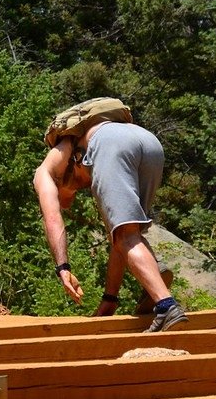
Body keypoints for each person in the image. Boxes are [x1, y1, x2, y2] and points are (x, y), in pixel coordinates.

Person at [33, 106, 188, 332]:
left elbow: (53, 218)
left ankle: (166, 306)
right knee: (126, 234)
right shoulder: (84, 153)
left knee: (127, 237)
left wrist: (62, 267)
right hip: (149, 142)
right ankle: (153, 276)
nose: (70, 201)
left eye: (69, 197)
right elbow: (119, 242)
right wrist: (110, 298)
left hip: (110, 143)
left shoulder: (45, 173)